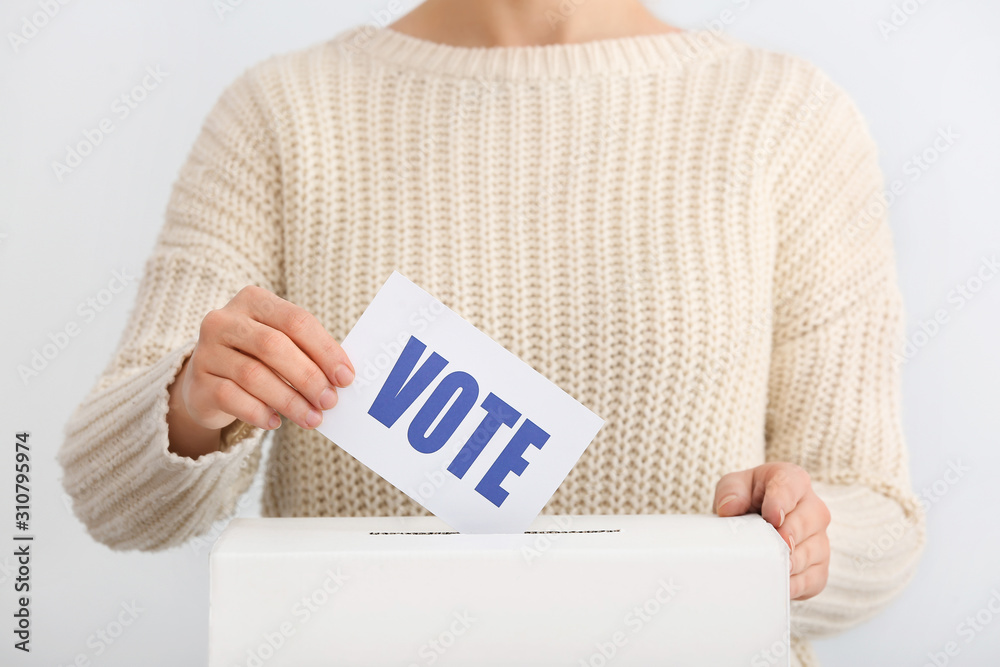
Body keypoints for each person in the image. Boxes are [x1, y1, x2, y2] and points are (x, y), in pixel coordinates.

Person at [57, 1, 925, 663]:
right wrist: (193, 402)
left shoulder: (788, 117)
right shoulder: (284, 115)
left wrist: (803, 544)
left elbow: (876, 509)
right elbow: (112, 496)